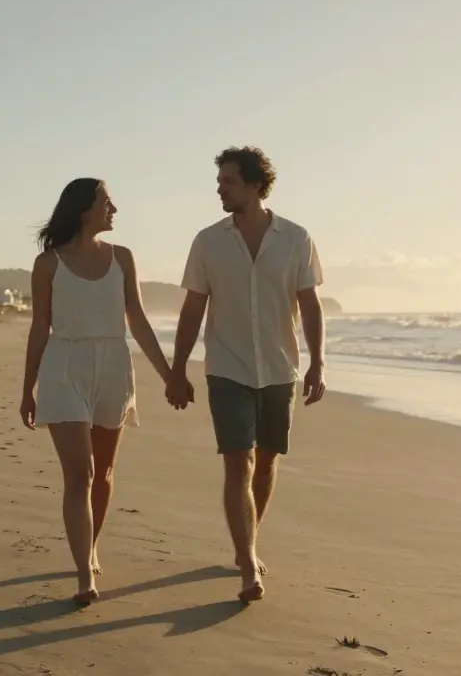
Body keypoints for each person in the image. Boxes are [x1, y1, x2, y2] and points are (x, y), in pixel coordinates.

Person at [165, 146, 327, 604]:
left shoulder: (295, 238)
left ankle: (246, 541)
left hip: (279, 368)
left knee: (268, 460)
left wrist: (318, 361)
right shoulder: (208, 242)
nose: (220, 189)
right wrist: (177, 369)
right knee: (239, 461)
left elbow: (310, 304)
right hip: (227, 367)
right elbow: (193, 308)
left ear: (256, 185)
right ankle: (249, 562)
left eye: (228, 181)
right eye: (219, 181)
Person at [20, 177, 173, 606]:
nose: (114, 209)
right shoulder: (48, 264)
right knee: (80, 473)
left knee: (103, 473)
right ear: (84, 208)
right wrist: (27, 389)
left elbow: (137, 320)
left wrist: (169, 375)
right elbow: (39, 328)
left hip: (112, 367)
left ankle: (90, 547)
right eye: (107, 201)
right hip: (63, 367)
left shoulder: (122, 258)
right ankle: (84, 575)